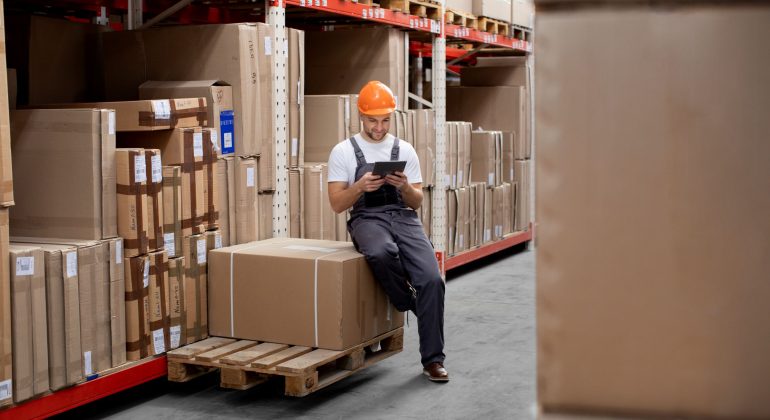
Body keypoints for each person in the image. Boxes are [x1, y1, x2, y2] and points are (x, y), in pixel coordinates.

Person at [327, 81, 448, 382]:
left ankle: (433, 360)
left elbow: (417, 201)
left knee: (432, 279)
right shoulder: (343, 151)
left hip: (403, 217)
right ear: (361, 116)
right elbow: (336, 204)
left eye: (385, 120)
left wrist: (404, 186)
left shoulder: (404, 150)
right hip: (367, 218)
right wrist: (359, 187)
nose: (379, 127)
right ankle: (408, 302)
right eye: (372, 120)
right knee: (381, 252)